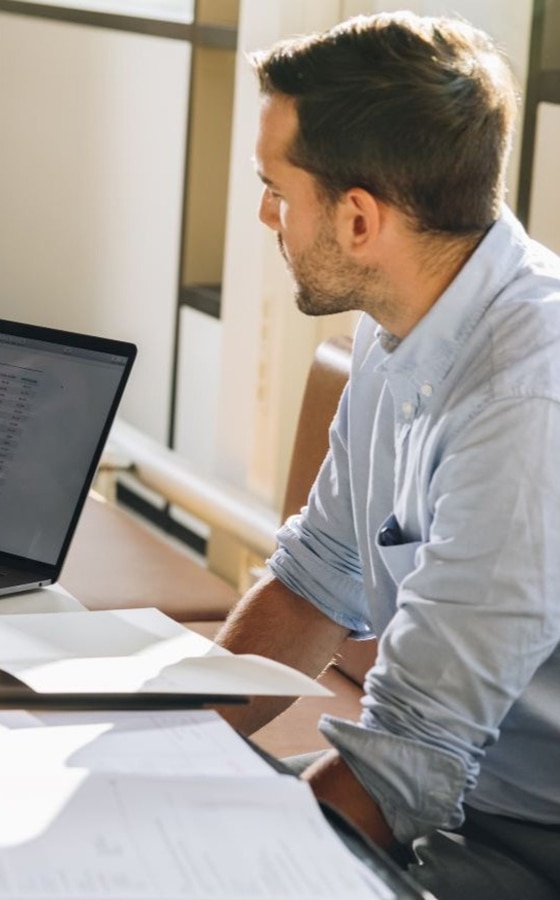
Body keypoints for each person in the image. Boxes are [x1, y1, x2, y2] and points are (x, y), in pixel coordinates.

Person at [217, 12, 560, 899]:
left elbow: (412, 754)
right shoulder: (398, 319)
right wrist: (155, 760)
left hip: (526, 838)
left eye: (277, 191)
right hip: (441, 795)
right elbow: (314, 577)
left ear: (360, 218)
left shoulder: (529, 397)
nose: (268, 216)